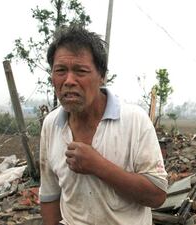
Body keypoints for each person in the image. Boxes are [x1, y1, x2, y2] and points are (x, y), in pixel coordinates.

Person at [39, 25, 168, 225]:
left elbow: (157, 195)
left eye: (80, 71)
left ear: (101, 76)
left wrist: (98, 166)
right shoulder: (51, 124)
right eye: (60, 71)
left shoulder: (134, 120)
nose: (69, 80)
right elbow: (49, 195)